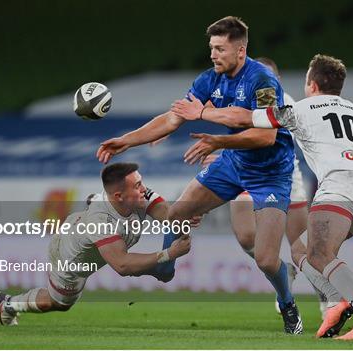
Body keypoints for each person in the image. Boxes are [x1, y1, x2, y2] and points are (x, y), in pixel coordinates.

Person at [96, 17, 303, 334]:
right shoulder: (210, 79)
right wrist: (128, 140)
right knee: (176, 214)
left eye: (220, 48)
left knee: (264, 259)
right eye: (211, 48)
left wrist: (214, 132)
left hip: (271, 174)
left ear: (241, 50)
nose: (214, 54)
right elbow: (171, 118)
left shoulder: (264, 81)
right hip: (234, 163)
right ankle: (166, 266)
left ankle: (288, 303)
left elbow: (265, 138)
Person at [172, 54, 353, 340]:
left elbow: (247, 117)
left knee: (320, 254)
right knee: (302, 252)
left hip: (338, 188)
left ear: (311, 84)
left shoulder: (300, 109)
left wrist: (201, 113)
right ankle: (338, 301)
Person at [0, 163, 193, 326]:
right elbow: (123, 265)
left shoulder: (137, 195)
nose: (143, 189)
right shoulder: (100, 222)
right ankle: (10, 305)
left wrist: (182, 218)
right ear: (119, 196)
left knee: (163, 269)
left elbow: (167, 214)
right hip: (69, 259)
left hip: (88, 231)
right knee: (59, 303)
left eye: (141, 182)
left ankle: (162, 270)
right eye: (137, 186)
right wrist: (168, 254)